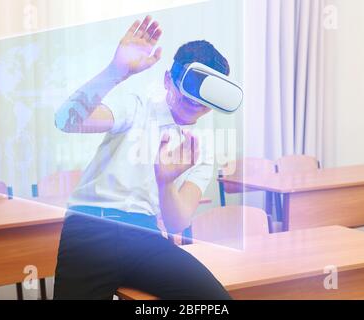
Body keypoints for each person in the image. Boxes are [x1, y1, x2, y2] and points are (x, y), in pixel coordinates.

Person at [53, 15, 232, 300]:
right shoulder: (136, 108)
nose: (195, 100)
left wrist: (166, 182)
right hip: (90, 231)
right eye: (189, 85)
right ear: (167, 80)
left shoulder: (202, 150)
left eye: (206, 92)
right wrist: (116, 71)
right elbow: (66, 120)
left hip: (145, 237)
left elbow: (177, 222)